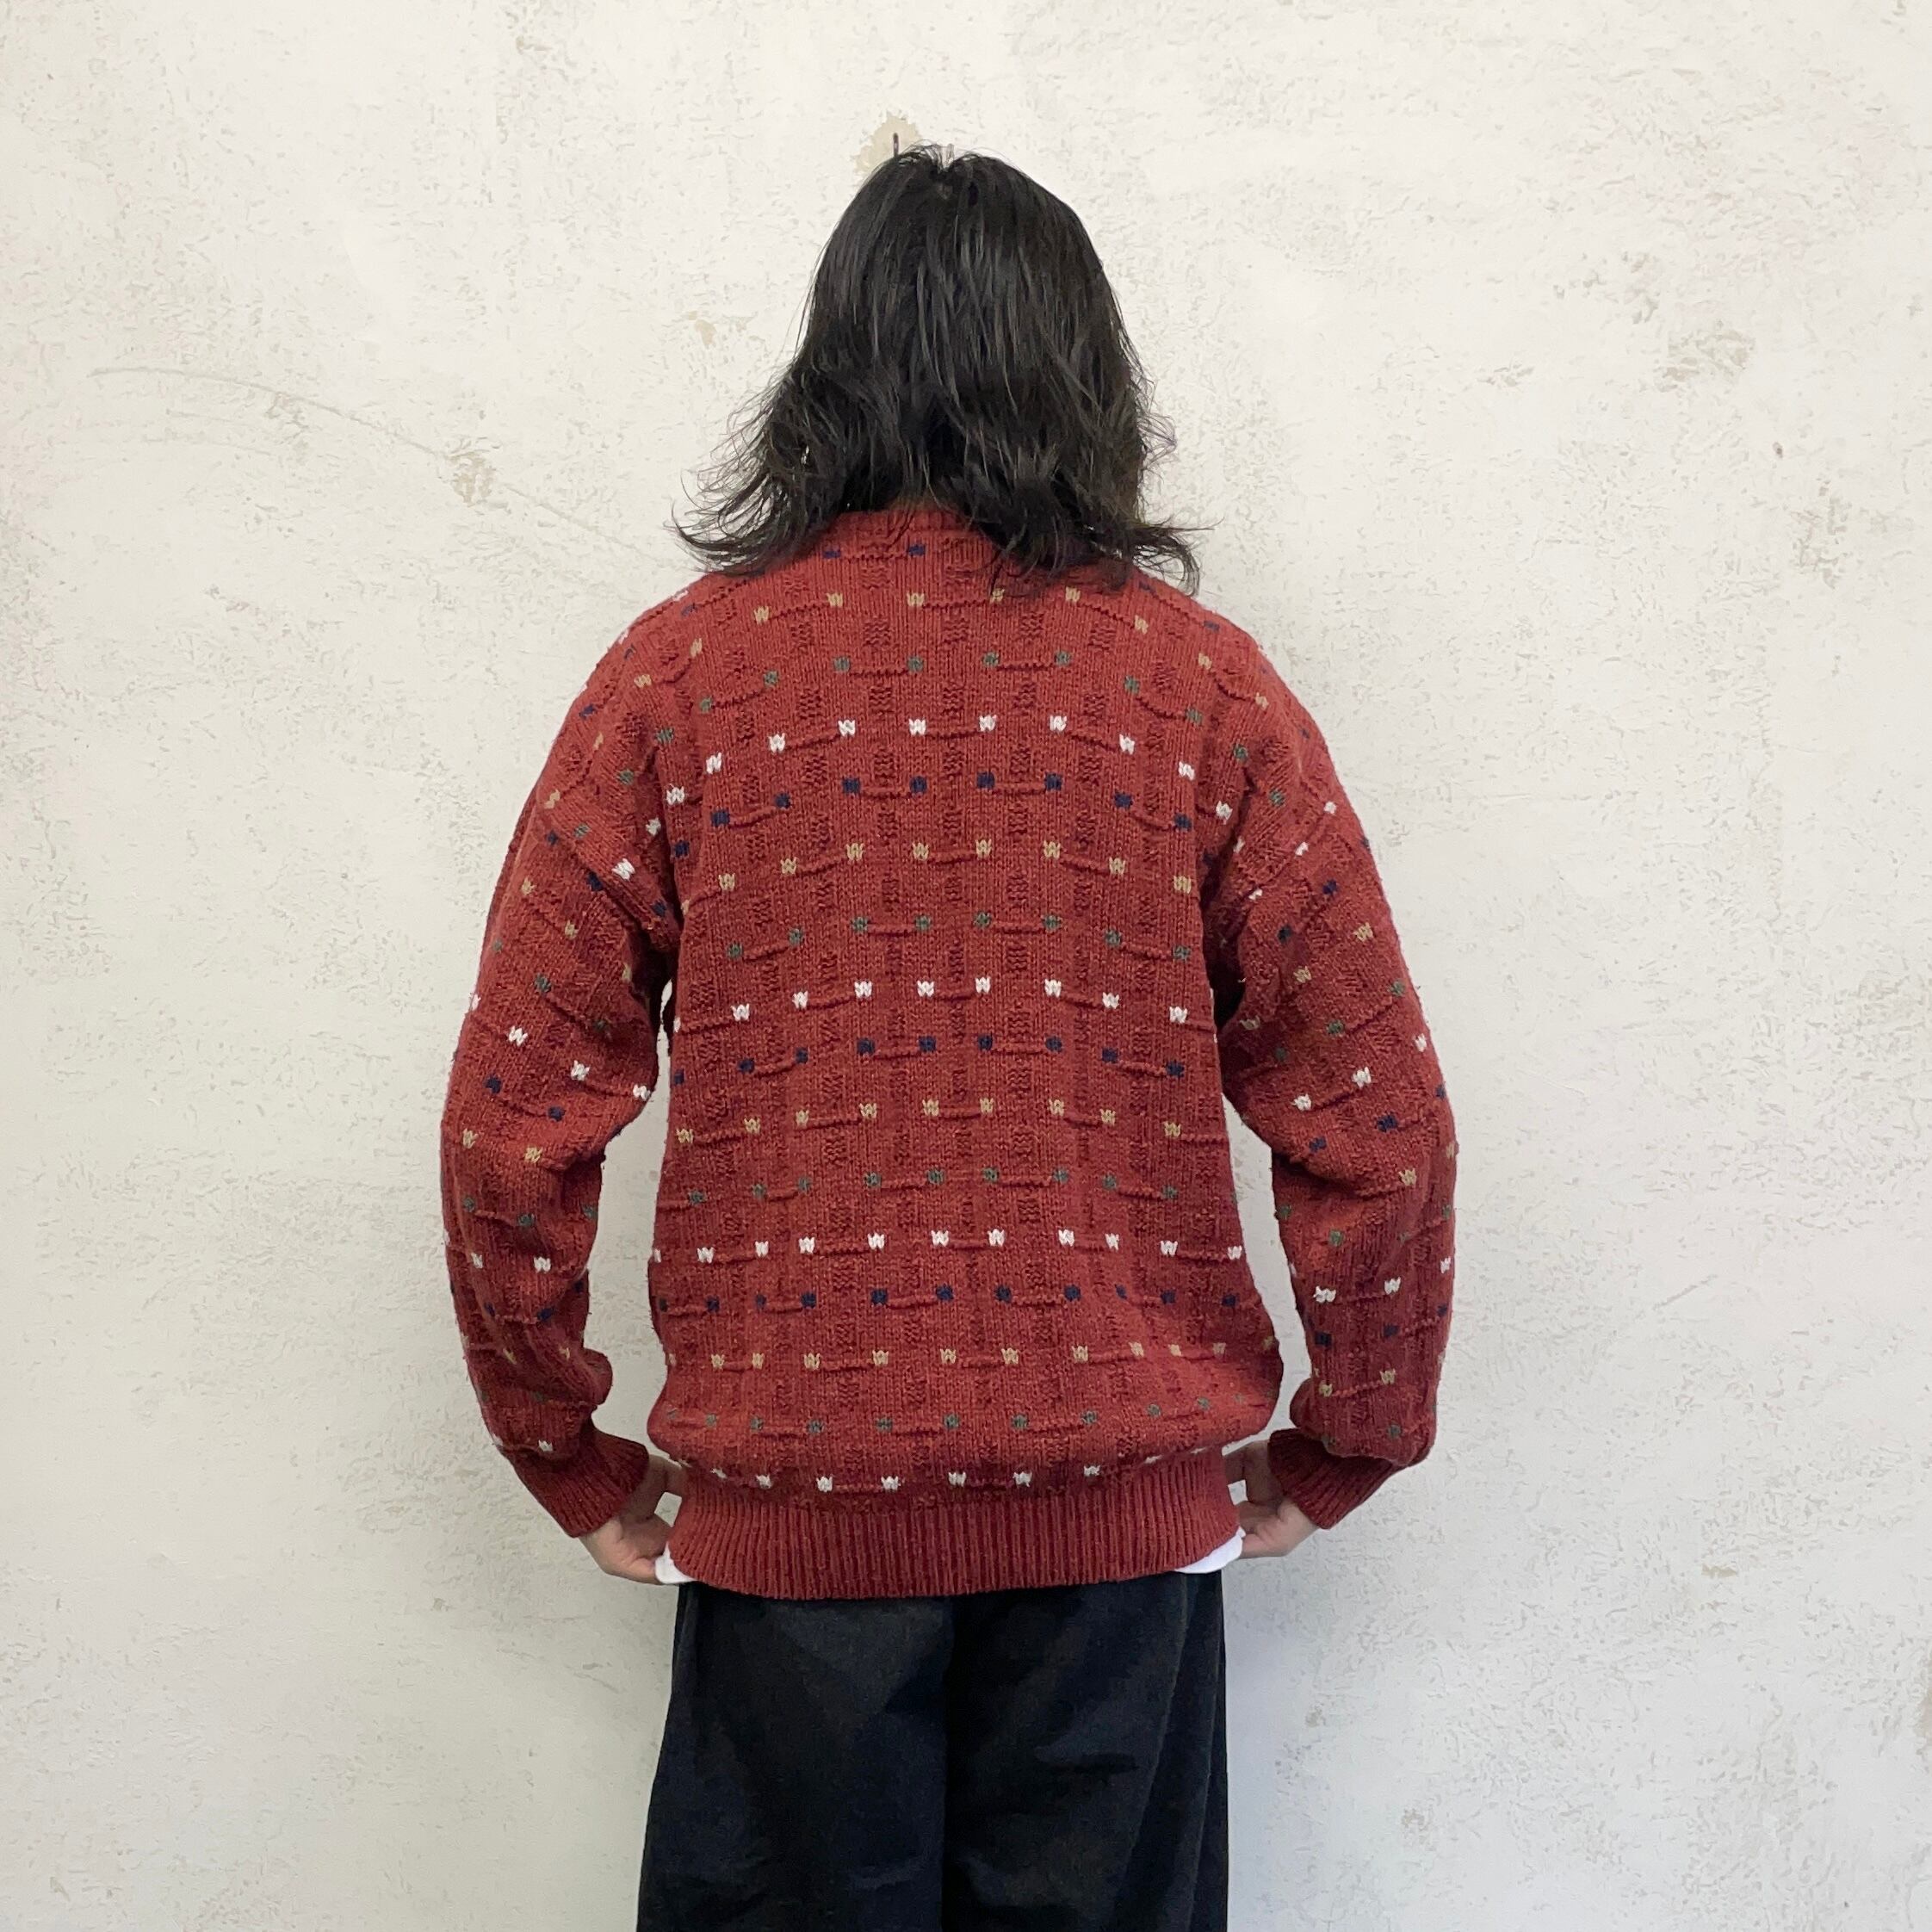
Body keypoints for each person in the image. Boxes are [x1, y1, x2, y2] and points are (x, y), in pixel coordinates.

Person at [437, 141, 1458, 1932]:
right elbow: (1378, 1117)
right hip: (1120, 1567)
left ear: (828, 370)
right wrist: (1347, 1437)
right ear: (1086, 375)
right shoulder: (1200, 689)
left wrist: (564, 1449)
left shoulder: (681, 682)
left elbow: (507, 1119)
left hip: (796, 1560)